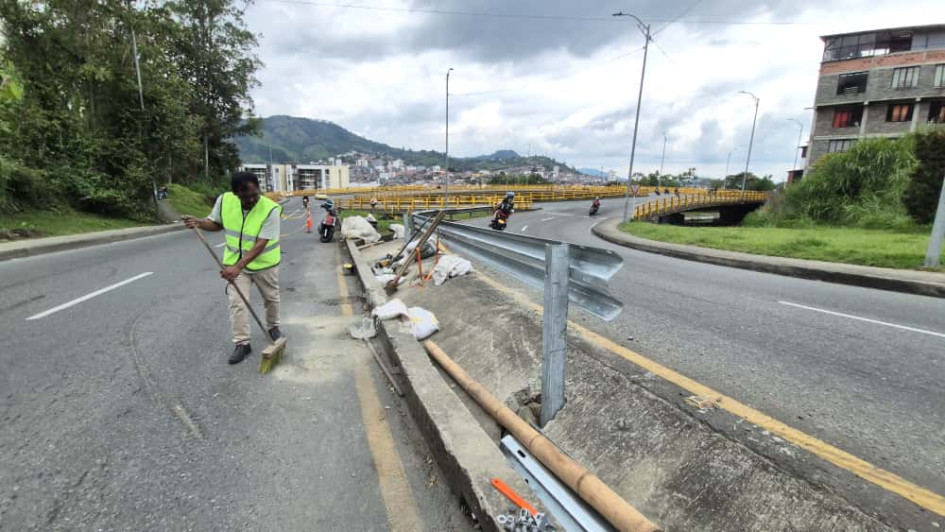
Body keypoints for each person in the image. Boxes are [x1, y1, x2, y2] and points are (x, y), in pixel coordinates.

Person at [182, 172, 282, 365]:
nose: (252, 199)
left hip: (264, 264)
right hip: (235, 265)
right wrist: (200, 222)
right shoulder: (225, 200)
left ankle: (273, 327)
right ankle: (242, 343)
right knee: (237, 303)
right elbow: (216, 224)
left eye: (255, 194)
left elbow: (261, 244)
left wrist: (237, 266)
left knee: (271, 298)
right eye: (246, 196)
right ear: (236, 193)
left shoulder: (271, 209)